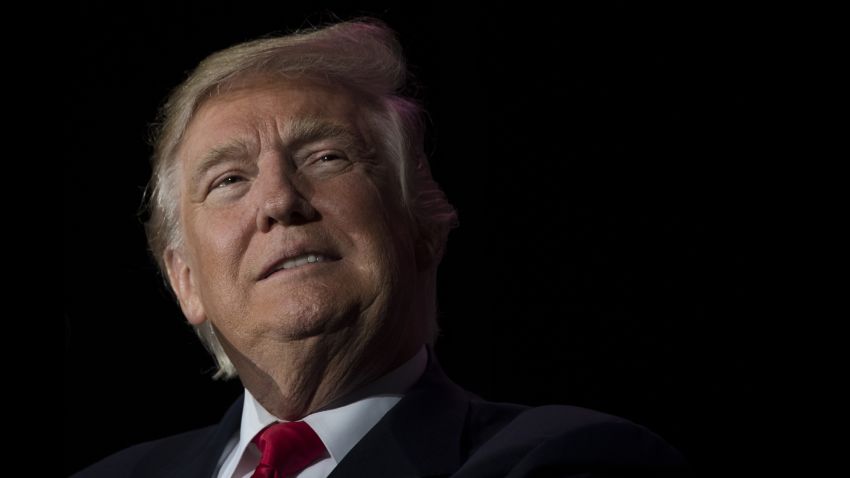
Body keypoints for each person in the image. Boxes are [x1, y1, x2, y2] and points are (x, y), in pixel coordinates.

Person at [73, 18, 690, 478]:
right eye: (229, 179)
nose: (279, 201)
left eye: (327, 157)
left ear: (423, 223)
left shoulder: (566, 460)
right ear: (184, 281)